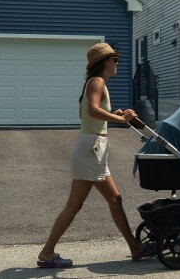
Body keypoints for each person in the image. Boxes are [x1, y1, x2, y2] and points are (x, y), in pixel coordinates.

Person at [37, 42, 156, 268]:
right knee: (74, 204)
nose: (117, 63)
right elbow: (91, 110)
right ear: (103, 63)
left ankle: (135, 248)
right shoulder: (97, 82)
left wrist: (113, 114)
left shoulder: (94, 83)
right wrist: (120, 119)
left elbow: (88, 115)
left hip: (93, 147)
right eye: (114, 59)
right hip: (92, 148)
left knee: (115, 199)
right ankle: (47, 252)